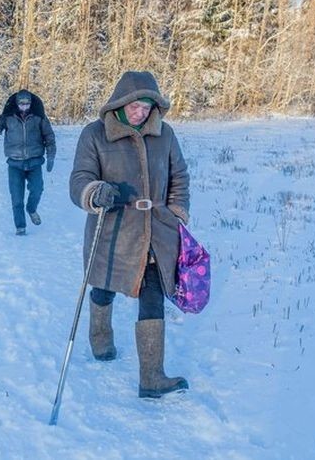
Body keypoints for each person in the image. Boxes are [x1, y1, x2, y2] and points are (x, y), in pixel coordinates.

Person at [69, 71, 191, 398]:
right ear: (120, 104)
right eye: (135, 106)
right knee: (104, 287)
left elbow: (179, 176)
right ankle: (100, 338)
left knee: (153, 296)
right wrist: (96, 192)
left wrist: (177, 211)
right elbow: (79, 179)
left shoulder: (164, 135)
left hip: (155, 232)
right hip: (112, 233)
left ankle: (151, 378)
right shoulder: (95, 135)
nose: (140, 113)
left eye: (147, 107)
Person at [0, 89, 56, 235]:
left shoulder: (39, 117)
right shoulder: (8, 117)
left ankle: (31, 209)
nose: (24, 106)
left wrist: (51, 156)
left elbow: (49, 137)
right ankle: (20, 227)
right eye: (21, 104)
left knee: (37, 190)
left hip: (34, 161)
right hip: (15, 163)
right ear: (17, 104)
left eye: (27, 104)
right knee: (16, 197)